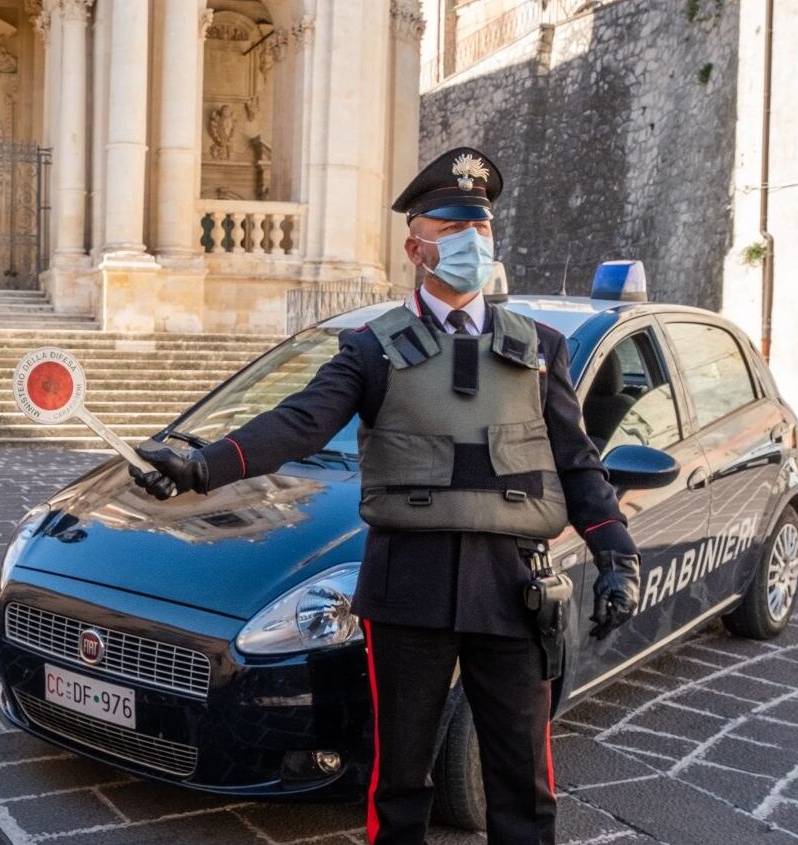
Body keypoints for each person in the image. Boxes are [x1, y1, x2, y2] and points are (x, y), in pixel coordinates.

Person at [129, 148, 641, 844]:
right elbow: (298, 420)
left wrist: (615, 551)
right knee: (399, 781)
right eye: (452, 227)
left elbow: (577, 465)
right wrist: (199, 464)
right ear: (415, 246)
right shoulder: (370, 349)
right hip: (408, 586)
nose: (471, 241)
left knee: (522, 784)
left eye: (481, 227)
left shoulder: (541, 347)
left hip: (511, 586)